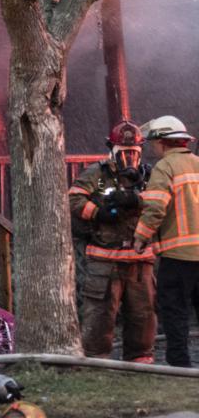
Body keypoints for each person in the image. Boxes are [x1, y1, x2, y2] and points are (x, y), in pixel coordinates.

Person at [67, 120, 155, 362]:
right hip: (104, 261)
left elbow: (162, 200)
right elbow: (73, 199)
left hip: (140, 261)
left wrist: (137, 200)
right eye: (124, 152)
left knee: (143, 314)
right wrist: (99, 212)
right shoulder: (97, 175)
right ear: (112, 151)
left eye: (133, 152)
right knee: (100, 315)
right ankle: (97, 362)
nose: (129, 158)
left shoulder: (149, 176)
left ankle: (141, 361)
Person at [135, 115, 199, 367]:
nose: (153, 148)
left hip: (178, 255)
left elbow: (155, 208)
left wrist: (141, 237)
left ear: (162, 142)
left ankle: (179, 366)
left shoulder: (165, 167)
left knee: (174, 311)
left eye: (153, 143)